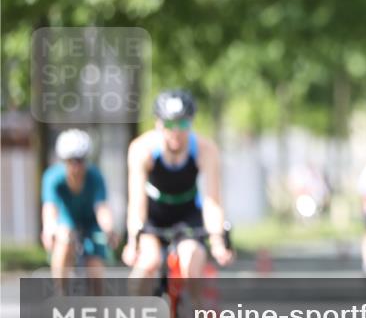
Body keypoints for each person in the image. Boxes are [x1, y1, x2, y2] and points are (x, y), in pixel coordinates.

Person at [122, 89, 233, 294]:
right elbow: (137, 203)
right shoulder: (141, 149)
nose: (176, 132)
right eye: (169, 125)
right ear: (158, 124)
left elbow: (212, 201)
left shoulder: (205, 149)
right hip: (154, 216)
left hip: (187, 214)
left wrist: (218, 242)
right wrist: (132, 242)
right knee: (147, 263)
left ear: (190, 124)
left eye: (182, 124)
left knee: (191, 262)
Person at [41, 129, 117, 293]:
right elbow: (50, 208)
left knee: (95, 269)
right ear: (64, 161)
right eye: (71, 161)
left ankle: (97, 311)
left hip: (91, 224)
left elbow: (102, 208)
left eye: (80, 160)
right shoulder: (53, 178)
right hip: (67, 221)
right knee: (63, 242)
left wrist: (109, 230)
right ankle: (60, 294)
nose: (76, 166)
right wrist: (49, 230)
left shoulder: (95, 176)